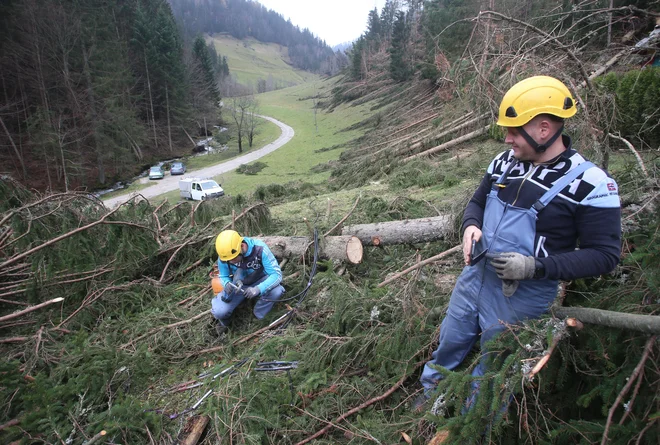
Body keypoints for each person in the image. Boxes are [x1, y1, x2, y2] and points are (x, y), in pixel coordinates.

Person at [415, 75, 621, 410]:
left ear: (543, 129)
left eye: (514, 130)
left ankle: (473, 426)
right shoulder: (503, 164)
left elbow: (605, 256)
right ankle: (430, 396)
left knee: (494, 370)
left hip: (522, 298)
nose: (507, 138)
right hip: (475, 278)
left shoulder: (591, 184)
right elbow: (478, 202)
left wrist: (536, 267)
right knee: (450, 342)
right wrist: (470, 226)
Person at [211, 230, 285, 336]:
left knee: (277, 291)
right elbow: (223, 276)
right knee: (219, 311)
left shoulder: (260, 249)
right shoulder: (225, 255)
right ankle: (224, 323)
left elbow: (276, 275)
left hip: (260, 279)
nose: (231, 262)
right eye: (229, 260)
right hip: (238, 285)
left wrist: (258, 288)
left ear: (241, 246)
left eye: (234, 258)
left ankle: (258, 316)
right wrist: (226, 283)